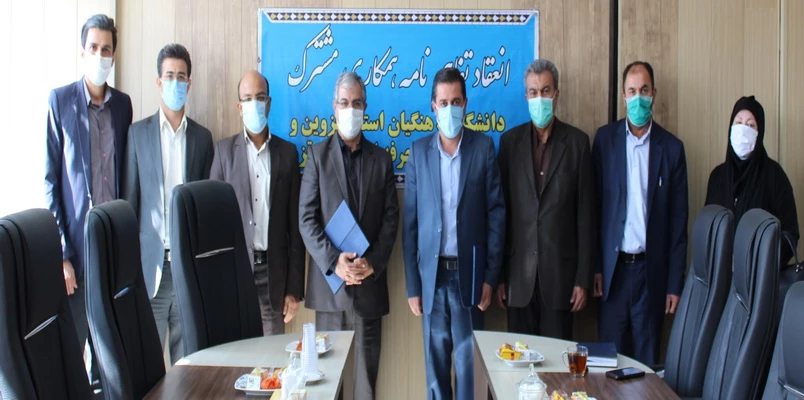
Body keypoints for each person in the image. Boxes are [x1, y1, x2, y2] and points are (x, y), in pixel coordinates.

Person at [403, 67, 505, 399]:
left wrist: (490, 276)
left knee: (470, 372)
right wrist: (413, 285)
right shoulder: (418, 152)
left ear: (466, 104)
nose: (450, 109)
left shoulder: (483, 148)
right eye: (443, 102)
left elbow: (496, 216)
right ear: (433, 106)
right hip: (431, 279)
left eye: (456, 102)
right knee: (435, 375)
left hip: (470, 278)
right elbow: (410, 225)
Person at [298, 71, 399, 400]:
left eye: (356, 103)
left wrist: (372, 263)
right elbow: (306, 219)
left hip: (368, 289)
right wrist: (334, 262)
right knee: (328, 385)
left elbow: (391, 219)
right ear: (334, 107)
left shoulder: (381, 159)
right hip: (330, 292)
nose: (350, 109)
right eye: (344, 103)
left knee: (366, 385)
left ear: (365, 107)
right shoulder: (317, 156)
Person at [45, 14, 132, 388]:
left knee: (109, 355)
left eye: (106, 49)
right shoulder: (60, 100)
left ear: (114, 55)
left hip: (111, 249)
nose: (100, 55)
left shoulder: (123, 106)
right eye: (93, 47)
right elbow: (51, 182)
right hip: (75, 256)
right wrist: (62, 254)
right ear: (83, 52)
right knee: (70, 353)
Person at [122, 43, 214, 364]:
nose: (176, 82)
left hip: (188, 269)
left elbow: (205, 212)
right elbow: (130, 205)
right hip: (150, 269)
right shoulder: (137, 135)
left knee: (186, 365)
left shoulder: (202, 139)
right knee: (146, 363)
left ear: (190, 83)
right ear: (159, 82)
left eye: (181, 76)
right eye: (170, 75)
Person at [592, 61, 688, 365]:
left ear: (654, 93)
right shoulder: (604, 141)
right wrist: (596, 268)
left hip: (651, 275)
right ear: (623, 96)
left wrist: (674, 284)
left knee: (646, 366)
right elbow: (594, 211)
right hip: (613, 274)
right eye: (632, 91)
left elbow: (678, 224)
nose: (638, 98)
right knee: (609, 363)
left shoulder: (671, 149)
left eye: (643, 90)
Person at [496, 59, 595, 340]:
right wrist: (499, 277)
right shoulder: (509, 144)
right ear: (526, 96)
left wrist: (583, 279)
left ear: (557, 94)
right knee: (519, 360)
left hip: (561, 279)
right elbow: (502, 215)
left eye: (545, 91)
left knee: (557, 361)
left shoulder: (577, 144)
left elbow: (586, 217)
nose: (539, 98)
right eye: (533, 92)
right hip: (518, 280)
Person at [210, 70, 305, 335]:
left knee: (272, 357)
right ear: (239, 107)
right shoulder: (223, 152)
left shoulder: (287, 154)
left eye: (260, 97)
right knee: (236, 354)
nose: (255, 104)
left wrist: (294, 289)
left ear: (269, 103)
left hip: (274, 279)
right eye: (248, 98)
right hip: (234, 276)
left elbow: (295, 228)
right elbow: (212, 225)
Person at [706, 95, 799, 266]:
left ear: (759, 132)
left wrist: (762, 259)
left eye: (750, 125)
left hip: (760, 276)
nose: (743, 130)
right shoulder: (717, 177)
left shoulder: (774, 176)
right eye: (738, 123)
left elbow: (790, 234)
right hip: (721, 276)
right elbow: (707, 228)